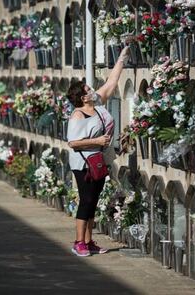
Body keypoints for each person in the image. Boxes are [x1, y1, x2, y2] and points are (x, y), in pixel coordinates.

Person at [66, 46, 130, 257]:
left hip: (99, 160)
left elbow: (111, 82)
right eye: (87, 90)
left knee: (94, 200)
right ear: (83, 98)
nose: (92, 90)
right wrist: (97, 140)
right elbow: (73, 143)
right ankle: (78, 242)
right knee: (85, 200)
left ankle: (89, 240)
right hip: (83, 162)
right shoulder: (78, 115)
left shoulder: (98, 103)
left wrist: (122, 57)